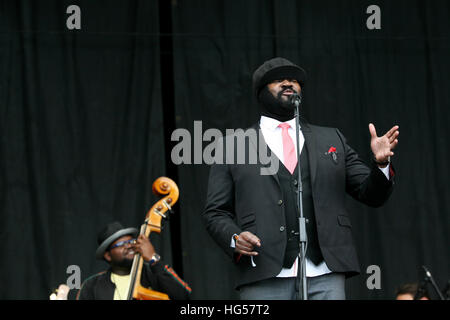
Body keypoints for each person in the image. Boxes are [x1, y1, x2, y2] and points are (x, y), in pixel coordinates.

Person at [202, 57, 399, 300]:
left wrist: (380, 163)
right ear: (260, 92)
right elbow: (215, 212)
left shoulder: (331, 139)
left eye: (294, 80)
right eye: (278, 79)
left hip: (325, 271)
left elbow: (371, 194)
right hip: (264, 271)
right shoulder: (232, 146)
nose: (288, 83)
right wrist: (234, 238)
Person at [76, 221, 191, 300]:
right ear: (108, 256)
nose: (129, 246)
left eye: (131, 241)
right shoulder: (92, 286)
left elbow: (183, 296)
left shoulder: (154, 272)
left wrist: (153, 259)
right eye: (121, 244)